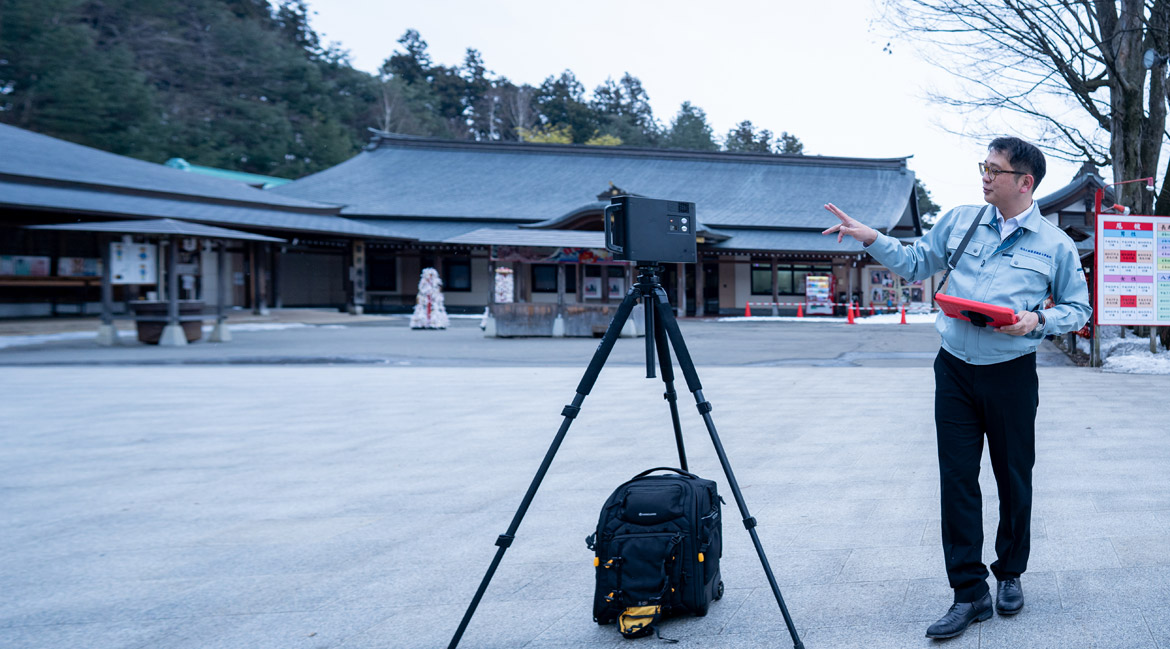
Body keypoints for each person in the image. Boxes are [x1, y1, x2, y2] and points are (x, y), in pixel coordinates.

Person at [822, 137, 1091, 640]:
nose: (984, 176)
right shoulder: (960, 219)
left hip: (1011, 373)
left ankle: (1009, 572)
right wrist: (870, 236)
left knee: (1014, 478)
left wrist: (1035, 319)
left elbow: (1078, 309)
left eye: (994, 169)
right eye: (983, 166)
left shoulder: (1054, 245)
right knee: (958, 480)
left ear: (1024, 182)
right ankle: (969, 593)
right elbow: (915, 261)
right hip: (954, 369)